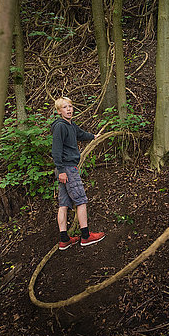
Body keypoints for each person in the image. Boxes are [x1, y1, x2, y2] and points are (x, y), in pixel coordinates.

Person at [51, 97, 105, 250]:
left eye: (70, 106)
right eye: (64, 107)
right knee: (81, 200)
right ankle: (86, 236)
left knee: (64, 203)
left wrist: (94, 137)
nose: (68, 109)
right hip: (67, 169)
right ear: (59, 111)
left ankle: (64, 239)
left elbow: (80, 134)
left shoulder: (70, 125)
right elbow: (56, 150)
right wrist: (61, 170)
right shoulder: (60, 127)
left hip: (66, 169)